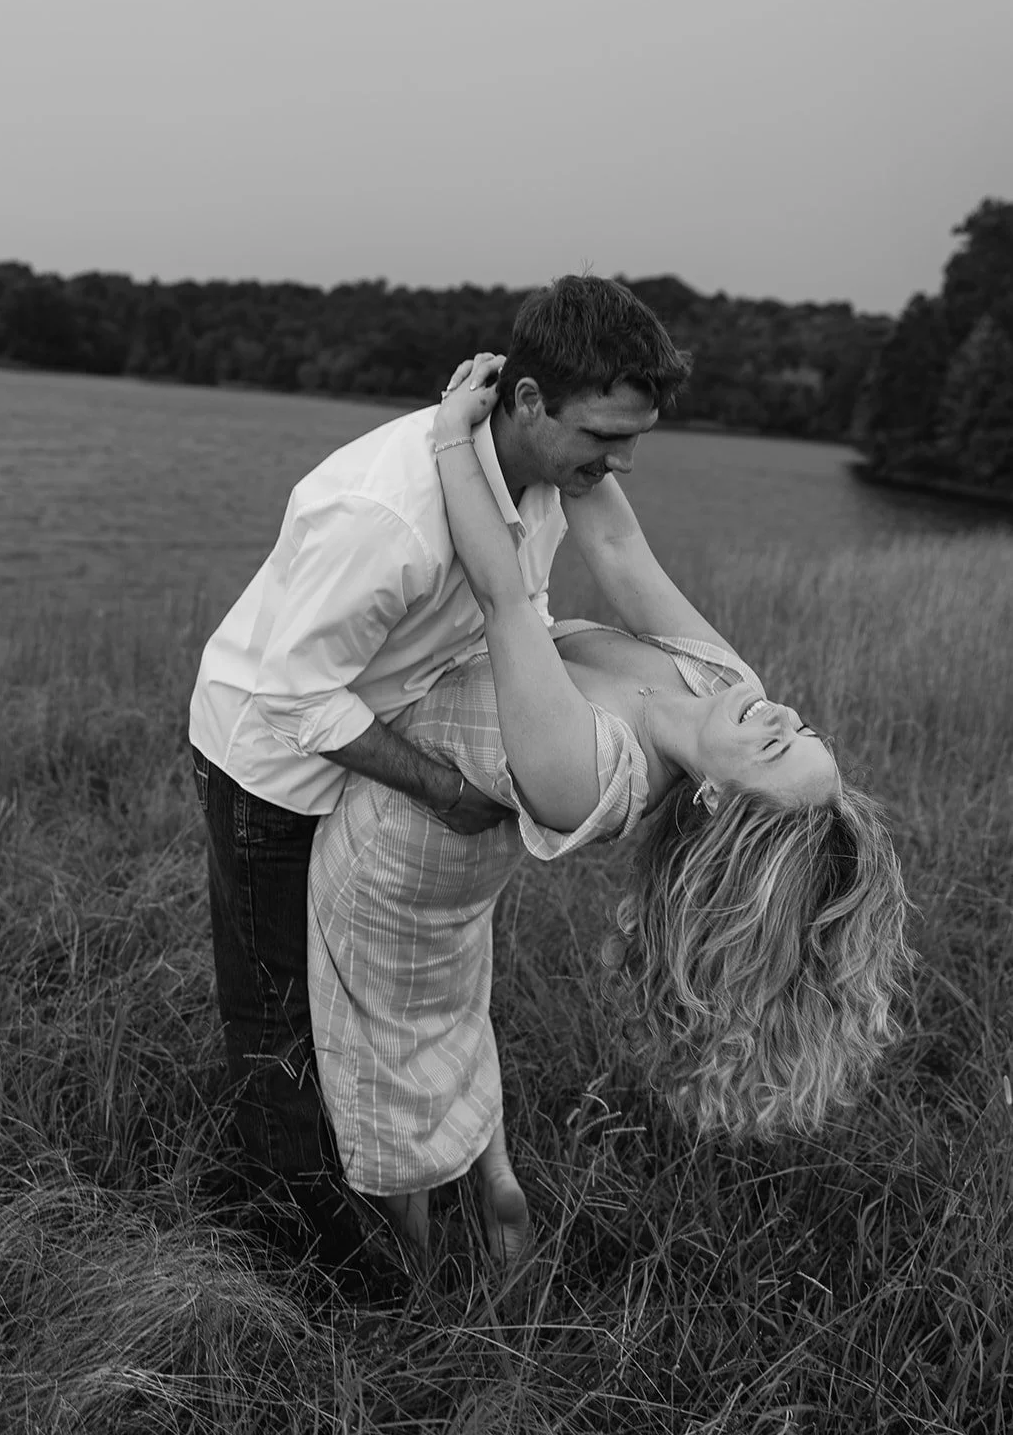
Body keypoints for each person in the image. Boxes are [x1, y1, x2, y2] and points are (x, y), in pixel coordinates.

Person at [306, 364, 913, 1263]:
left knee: (376, 1050)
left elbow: (505, 596)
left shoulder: (591, 776)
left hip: (396, 858)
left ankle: (416, 1271)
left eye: (778, 748)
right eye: (806, 727)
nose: (782, 715)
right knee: (445, 1016)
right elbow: (621, 550)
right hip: (453, 851)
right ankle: (497, 1186)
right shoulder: (726, 684)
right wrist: (561, 421)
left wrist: (449, 436)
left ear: (713, 797)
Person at [188, 274, 691, 1267]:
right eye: (603, 436)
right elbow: (294, 693)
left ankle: (373, 1202)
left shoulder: (541, 483)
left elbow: (515, 626)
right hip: (270, 767)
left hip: (379, 740)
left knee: (363, 1009)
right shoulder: (389, 514)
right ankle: (304, 1260)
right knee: (278, 1020)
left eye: (636, 436)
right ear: (530, 401)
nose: (621, 460)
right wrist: (439, 784)